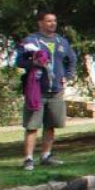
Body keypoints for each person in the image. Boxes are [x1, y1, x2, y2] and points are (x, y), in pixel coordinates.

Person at [17, 11, 77, 170]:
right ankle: (28, 159)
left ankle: (46, 155)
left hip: (56, 91)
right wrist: (34, 63)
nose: (53, 23)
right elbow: (19, 61)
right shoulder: (31, 40)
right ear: (40, 23)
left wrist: (67, 76)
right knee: (32, 125)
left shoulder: (61, 41)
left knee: (51, 125)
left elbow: (72, 59)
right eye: (49, 21)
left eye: (54, 20)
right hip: (36, 90)